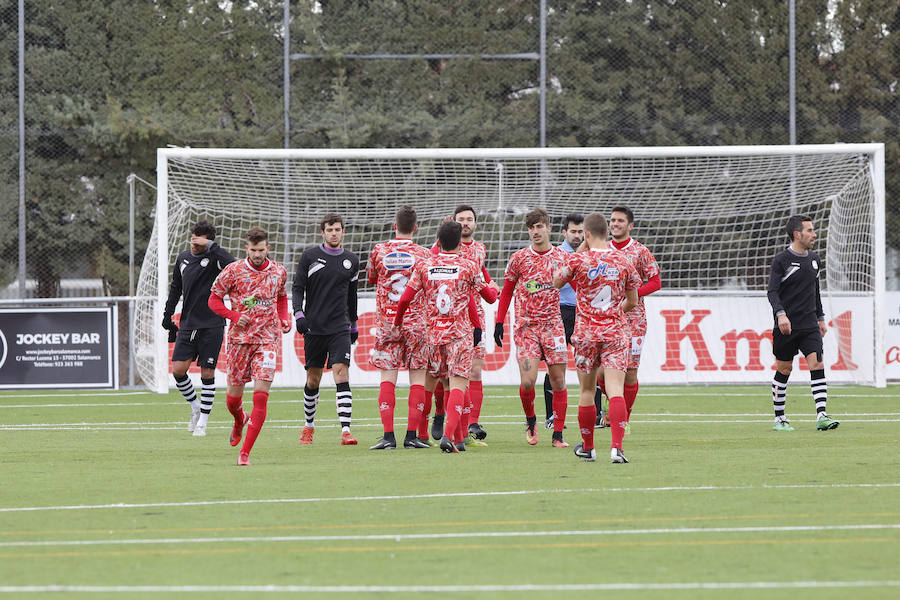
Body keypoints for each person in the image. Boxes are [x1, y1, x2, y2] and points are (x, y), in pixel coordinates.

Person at [395, 221, 498, 453]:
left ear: (438, 242)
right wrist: (494, 288)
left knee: (432, 383)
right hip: (459, 335)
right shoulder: (468, 266)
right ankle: (449, 436)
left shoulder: (424, 265)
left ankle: (429, 433)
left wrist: (398, 320)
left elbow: (404, 299)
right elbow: (488, 298)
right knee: (458, 384)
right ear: (460, 242)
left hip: (433, 335)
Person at [554, 212, 639, 463]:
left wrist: (581, 250)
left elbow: (556, 280)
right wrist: (611, 313)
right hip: (615, 332)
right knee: (615, 391)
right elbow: (633, 301)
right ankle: (617, 448)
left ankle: (589, 447)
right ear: (607, 232)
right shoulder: (623, 261)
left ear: (587, 234)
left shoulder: (579, 260)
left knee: (587, 390)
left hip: (586, 334)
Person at [207, 226, 291, 466]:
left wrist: (285, 318)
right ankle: (238, 420)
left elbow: (282, 297)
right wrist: (233, 316)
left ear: (268, 248)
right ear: (247, 248)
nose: (257, 254)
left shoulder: (278, 272)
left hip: (267, 340)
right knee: (232, 400)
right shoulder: (232, 272)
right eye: (253, 250)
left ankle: (245, 453)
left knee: (261, 398)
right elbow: (213, 300)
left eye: (261, 250)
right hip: (238, 341)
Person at [494, 208, 571, 448]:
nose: (535, 232)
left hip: (553, 328)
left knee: (558, 381)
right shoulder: (519, 258)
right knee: (528, 381)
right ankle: (531, 421)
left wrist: (587, 316)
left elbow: (579, 287)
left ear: (549, 228)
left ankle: (558, 434)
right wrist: (499, 321)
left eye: (539, 227)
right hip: (526, 328)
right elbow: (506, 291)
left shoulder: (562, 257)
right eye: (531, 228)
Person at [429, 205, 498, 443]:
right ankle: (441, 413)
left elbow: (482, 273)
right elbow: (430, 262)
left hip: (474, 314)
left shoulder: (479, 249)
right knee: (445, 373)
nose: (466, 222)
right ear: (456, 224)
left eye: (470, 219)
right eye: (461, 219)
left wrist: (491, 284)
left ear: (476, 224)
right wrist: (440, 235)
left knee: (474, 370)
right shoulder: (443, 246)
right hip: (448, 314)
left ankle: (471, 423)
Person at [366, 205, 433, 450]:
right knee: (417, 378)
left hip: (388, 323)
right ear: (416, 228)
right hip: (416, 323)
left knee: (388, 377)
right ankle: (412, 436)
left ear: (395, 226)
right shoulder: (424, 254)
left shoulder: (379, 250)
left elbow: (373, 278)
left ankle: (388, 436)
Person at [162, 220, 236, 437]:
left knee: (207, 372)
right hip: (187, 324)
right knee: (178, 370)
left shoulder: (215, 258)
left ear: (208, 241)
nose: (195, 242)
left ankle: (203, 421)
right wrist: (167, 316)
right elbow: (175, 288)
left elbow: (233, 265)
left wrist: (211, 246)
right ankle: (195, 408)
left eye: (200, 239)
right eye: (194, 237)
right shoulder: (183, 258)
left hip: (212, 323)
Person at [293, 213, 361, 446]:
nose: (334, 233)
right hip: (314, 327)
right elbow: (297, 288)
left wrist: (354, 323)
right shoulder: (310, 257)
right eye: (330, 230)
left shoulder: (352, 260)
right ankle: (309, 426)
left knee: (341, 372)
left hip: (339, 327)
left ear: (343, 232)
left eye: (338, 229)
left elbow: (352, 296)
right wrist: (299, 313)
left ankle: (346, 431)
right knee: (313, 380)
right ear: (322, 233)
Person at [766, 215, 839, 432]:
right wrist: (781, 314)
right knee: (784, 369)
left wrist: (821, 318)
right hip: (786, 326)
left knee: (817, 363)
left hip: (809, 324)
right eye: (809, 230)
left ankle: (822, 415)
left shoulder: (814, 259)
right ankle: (779, 418)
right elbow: (772, 291)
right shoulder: (781, 260)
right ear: (797, 234)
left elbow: (815, 291)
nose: (814, 234)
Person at [595, 206, 661, 433]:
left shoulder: (640, 252)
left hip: (634, 320)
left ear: (630, 226)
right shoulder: (601, 250)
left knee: (631, 371)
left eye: (620, 221)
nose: (615, 224)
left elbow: (655, 281)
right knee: (600, 371)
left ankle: (623, 419)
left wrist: (634, 294)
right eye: (612, 220)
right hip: (606, 318)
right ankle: (613, 402)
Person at [542, 213, 583, 429]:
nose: (577, 236)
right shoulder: (557, 255)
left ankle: (594, 416)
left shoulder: (591, 255)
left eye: (580, 231)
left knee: (590, 363)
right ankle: (552, 416)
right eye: (573, 231)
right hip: (560, 312)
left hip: (584, 314)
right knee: (555, 366)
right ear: (564, 232)